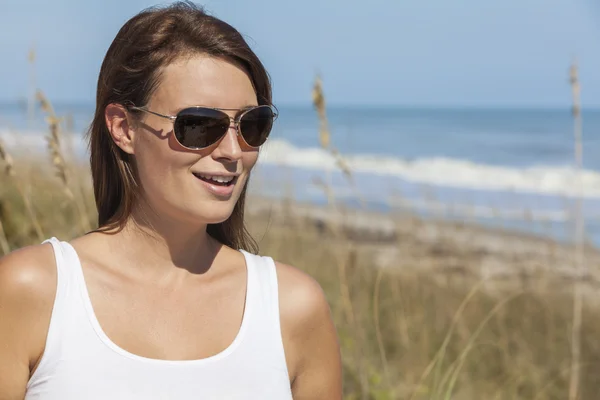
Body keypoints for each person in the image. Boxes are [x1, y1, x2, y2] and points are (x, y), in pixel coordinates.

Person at [0, 2, 342, 399]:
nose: (233, 151)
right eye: (199, 125)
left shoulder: (292, 308)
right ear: (124, 128)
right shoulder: (33, 291)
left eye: (252, 125)